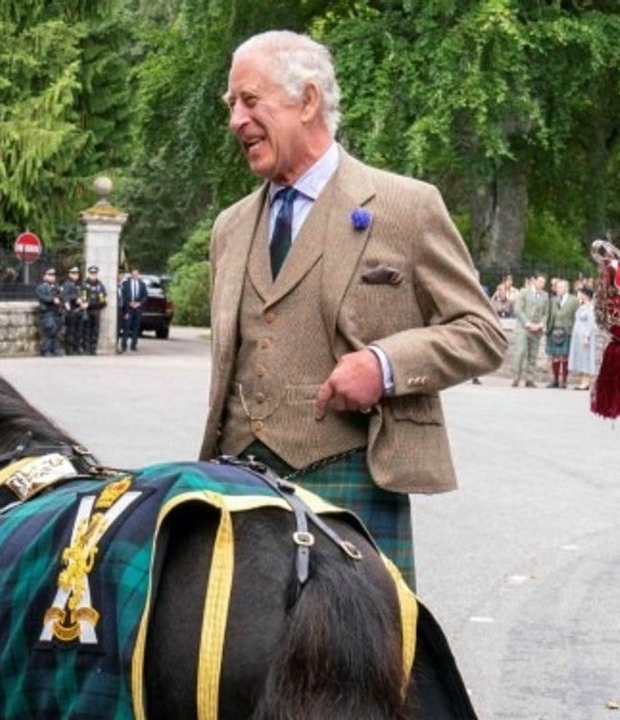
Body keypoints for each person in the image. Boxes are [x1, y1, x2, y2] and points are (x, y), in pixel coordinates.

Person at [200, 30, 506, 588]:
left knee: (358, 646)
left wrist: (384, 365)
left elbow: (481, 331)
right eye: (231, 105)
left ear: (307, 101)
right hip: (237, 486)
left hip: (352, 484)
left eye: (249, 100)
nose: (236, 120)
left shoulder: (406, 207)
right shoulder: (230, 227)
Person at [511, 272, 550, 387]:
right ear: (534, 280)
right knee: (520, 352)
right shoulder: (524, 292)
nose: (542, 284)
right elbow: (518, 309)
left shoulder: (545, 295)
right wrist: (527, 323)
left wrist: (541, 324)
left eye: (543, 283)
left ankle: (530, 379)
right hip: (523, 328)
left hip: (537, 329)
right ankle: (516, 377)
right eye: (540, 282)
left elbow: (546, 313)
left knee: (533, 354)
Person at [545, 278, 576, 388]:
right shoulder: (552, 300)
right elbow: (548, 315)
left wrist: (574, 331)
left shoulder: (574, 300)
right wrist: (546, 328)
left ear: (566, 288)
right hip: (553, 329)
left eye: (560, 287)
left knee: (565, 357)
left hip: (567, 330)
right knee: (555, 357)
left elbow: (576, 316)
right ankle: (555, 380)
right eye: (557, 287)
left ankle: (564, 381)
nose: (558, 289)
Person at [568, 287, 598, 390]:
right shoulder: (582, 307)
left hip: (584, 336)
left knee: (585, 357)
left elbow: (591, 324)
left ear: (585, 295)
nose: (578, 295)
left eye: (580, 293)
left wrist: (587, 337)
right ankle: (582, 381)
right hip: (578, 336)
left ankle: (586, 382)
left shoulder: (590, 308)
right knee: (580, 357)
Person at [36, 267, 63, 357]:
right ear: (44, 276)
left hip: (56, 312)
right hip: (47, 312)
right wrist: (52, 299)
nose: (52, 277)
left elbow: (62, 297)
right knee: (49, 331)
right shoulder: (41, 287)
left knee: (56, 331)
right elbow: (43, 297)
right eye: (50, 275)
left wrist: (60, 300)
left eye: (53, 275)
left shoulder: (57, 287)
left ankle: (54, 350)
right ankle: (46, 350)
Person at [80, 265, 108, 355]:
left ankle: (93, 349)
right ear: (89, 274)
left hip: (96, 310)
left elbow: (102, 301)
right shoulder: (84, 284)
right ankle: (86, 349)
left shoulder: (100, 285)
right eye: (91, 273)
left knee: (95, 330)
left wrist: (92, 304)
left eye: (95, 273)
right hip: (86, 311)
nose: (93, 275)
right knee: (86, 330)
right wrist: (83, 303)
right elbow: (82, 297)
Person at [119, 268, 148, 352]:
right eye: (133, 274)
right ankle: (123, 345)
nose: (135, 275)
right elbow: (123, 295)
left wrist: (139, 303)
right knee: (126, 327)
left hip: (138, 309)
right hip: (128, 309)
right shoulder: (125, 284)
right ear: (131, 275)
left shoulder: (142, 284)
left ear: (139, 275)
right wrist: (129, 303)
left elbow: (145, 296)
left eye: (136, 274)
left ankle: (134, 345)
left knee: (136, 327)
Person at [61, 266, 84, 355]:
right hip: (72, 310)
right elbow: (65, 296)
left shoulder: (79, 284)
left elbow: (84, 295)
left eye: (77, 274)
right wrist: (75, 299)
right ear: (69, 274)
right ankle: (69, 349)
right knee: (70, 330)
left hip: (79, 310)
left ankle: (76, 348)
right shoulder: (67, 284)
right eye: (73, 273)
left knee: (79, 331)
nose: (76, 275)